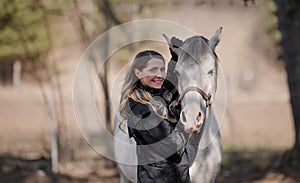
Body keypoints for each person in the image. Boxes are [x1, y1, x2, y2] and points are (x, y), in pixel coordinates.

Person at [119, 38, 192, 183]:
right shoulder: (140, 109)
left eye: (162, 69)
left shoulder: (156, 94)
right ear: (138, 73)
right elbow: (173, 146)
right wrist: (186, 125)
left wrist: (176, 58)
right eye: (153, 70)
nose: (160, 75)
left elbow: (170, 87)